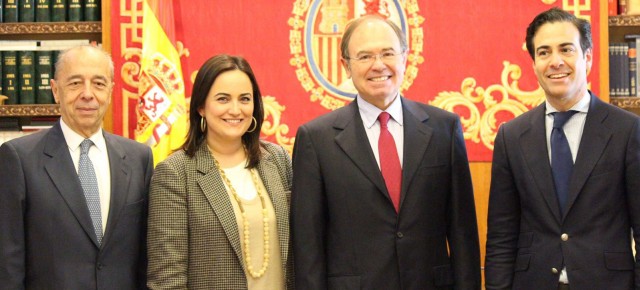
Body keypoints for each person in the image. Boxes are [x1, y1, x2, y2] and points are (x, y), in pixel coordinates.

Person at [291, 15, 481, 289]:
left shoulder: (444, 130)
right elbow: (308, 246)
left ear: (404, 57)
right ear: (346, 66)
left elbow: (463, 234)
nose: (378, 65)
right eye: (365, 56)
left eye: (388, 53)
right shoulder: (317, 139)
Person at [485, 7, 640, 290]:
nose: (555, 61)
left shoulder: (627, 130)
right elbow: (501, 236)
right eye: (544, 52)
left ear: (588, 57)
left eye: (566, 50)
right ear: (533, 64)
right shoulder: (512, 136)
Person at [0, 45, 154, 289]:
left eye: (99, 84)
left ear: (111, 91)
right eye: (75, 83)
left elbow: (146, 256)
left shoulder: (139, 158)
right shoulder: (19, 159)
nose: (88, 94)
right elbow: (8, 262)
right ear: (55, 90)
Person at [147, 54, 293, 289]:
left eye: (244, 99)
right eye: (223, 99)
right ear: (201, 107)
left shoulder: (277, 159)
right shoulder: (175, 173)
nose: (236, 110)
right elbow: (167, 278)